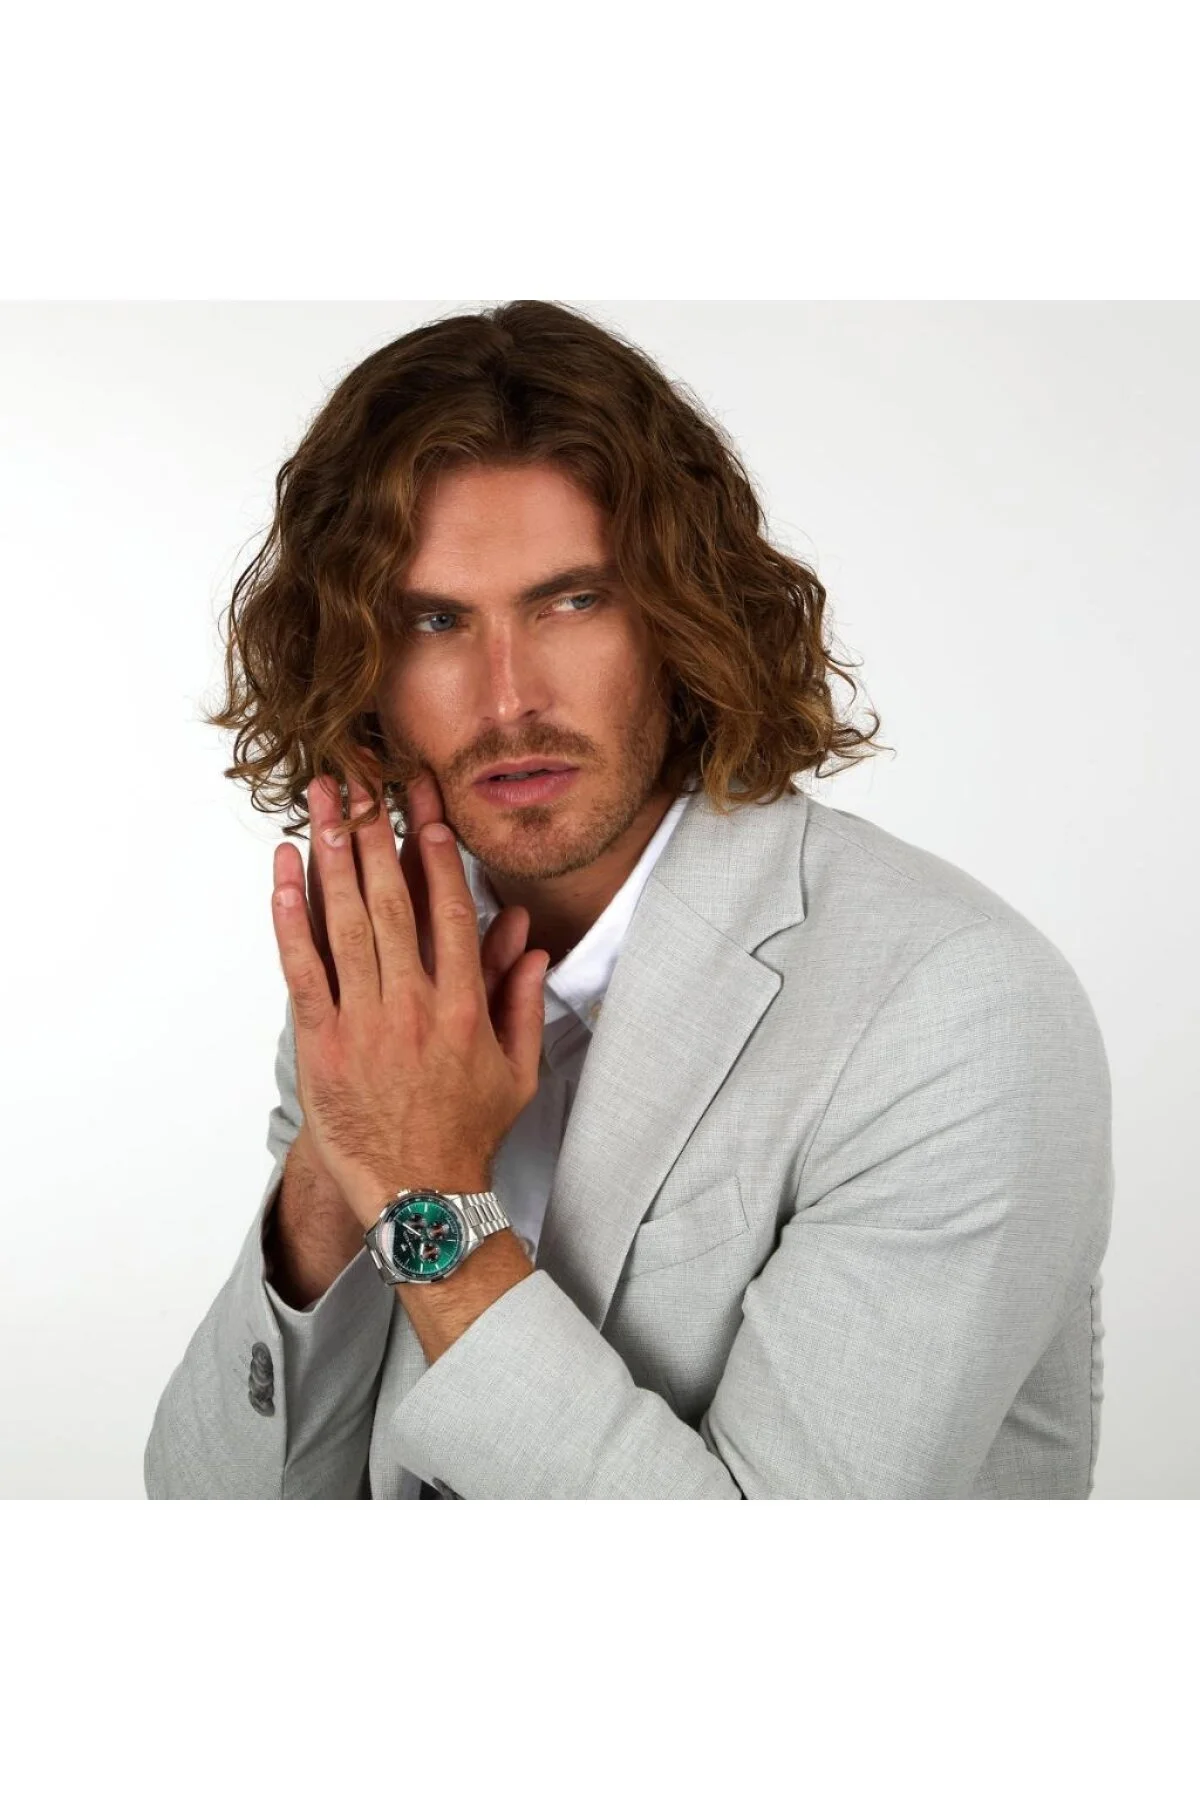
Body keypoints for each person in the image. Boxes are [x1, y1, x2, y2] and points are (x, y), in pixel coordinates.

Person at [143, 300, 1113, 1499]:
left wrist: (420, 1196)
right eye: (434, 621)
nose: (509, 697)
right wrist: (337, 1163)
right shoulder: (394, 989)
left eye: (572, 601)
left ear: (683, 616)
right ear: (361, 667)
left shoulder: (953, 1009)